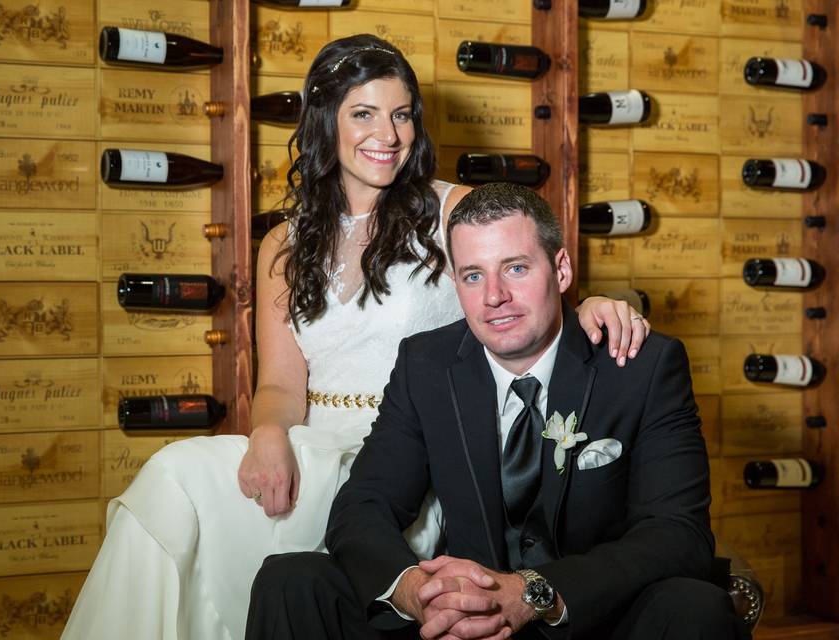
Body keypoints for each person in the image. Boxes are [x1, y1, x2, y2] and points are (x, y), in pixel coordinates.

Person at [61, 36, 649, 640]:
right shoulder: (282, 248)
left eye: (400, 115)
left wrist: (599, 304)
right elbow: (281, 387)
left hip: (408, 458)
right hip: (311, 447)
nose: (387, 135)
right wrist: (266, 433)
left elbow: (529, 292)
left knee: (183, 483)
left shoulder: (453, 211)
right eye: (363, 114)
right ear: (326, 123)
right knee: (170, 485)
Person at [247, 182, 747, 640]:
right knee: (291, 579)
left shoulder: (643, 366)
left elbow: (678, 534)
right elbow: (364, 504)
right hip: (457, 623)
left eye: (516, 267)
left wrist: (534, 594)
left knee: (695, 608)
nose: (494, 297)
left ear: (562, 269)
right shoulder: (427, 365)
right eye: (472, 275)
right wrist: (417, 592)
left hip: (586, 617)